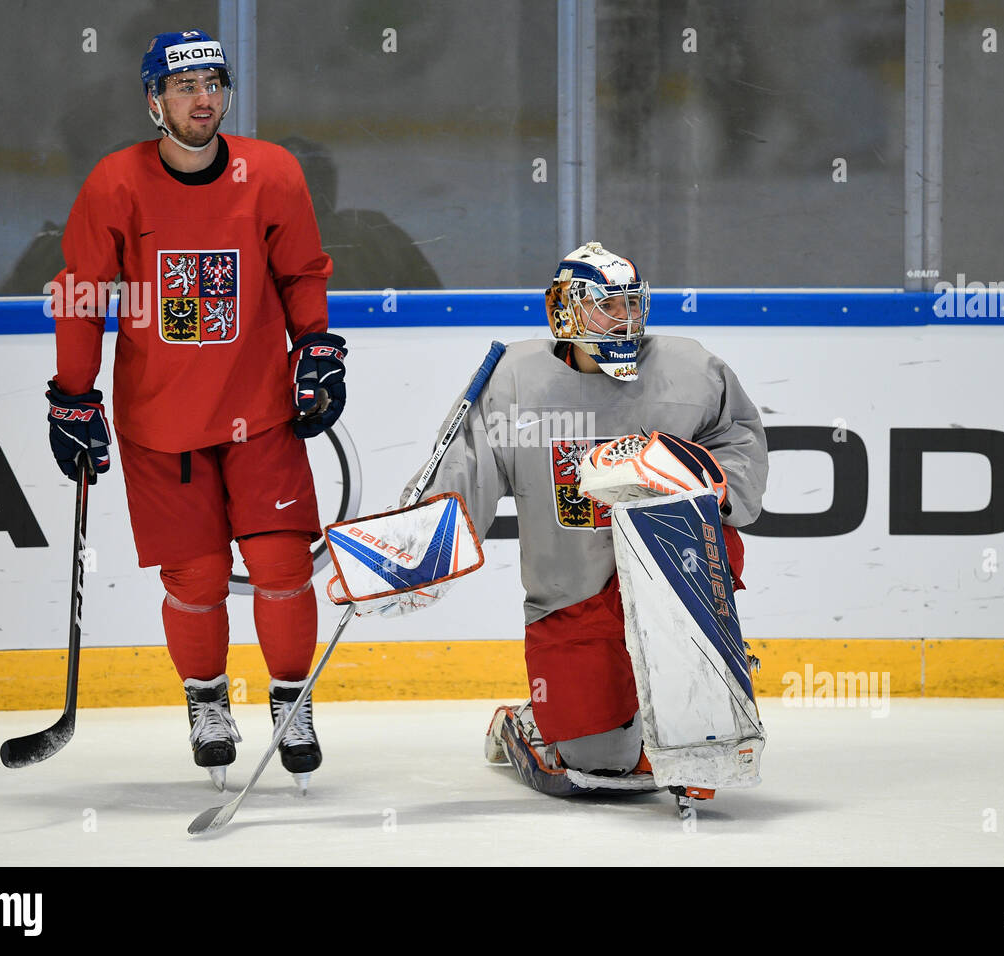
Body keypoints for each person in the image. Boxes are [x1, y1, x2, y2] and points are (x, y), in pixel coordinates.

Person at [43, 29, 347, 791]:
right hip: (161, 426)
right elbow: (82, 297)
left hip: (261, 414)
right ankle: (207, 702)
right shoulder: (115, 184)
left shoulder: (271, 172)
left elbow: (302, 270)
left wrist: (315, 348)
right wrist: (73, 397)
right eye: (184, 87)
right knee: (198, 579)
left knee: (282, 565)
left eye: (213, 83)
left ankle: (290, 702)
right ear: (154, 101)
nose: (202, 98)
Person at [381, 241, 768, 797]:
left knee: (697, 732)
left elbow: (739, 443)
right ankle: (530, 724)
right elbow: (465, 471)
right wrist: (409, 549)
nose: (624, 319)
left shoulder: (692, 369)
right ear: (564, 311)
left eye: (631, 304)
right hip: (571, 597)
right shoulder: (515, 379)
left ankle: (673, 714)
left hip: (679, 583)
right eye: (604, 306)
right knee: (599, 767)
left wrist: (708, 479)